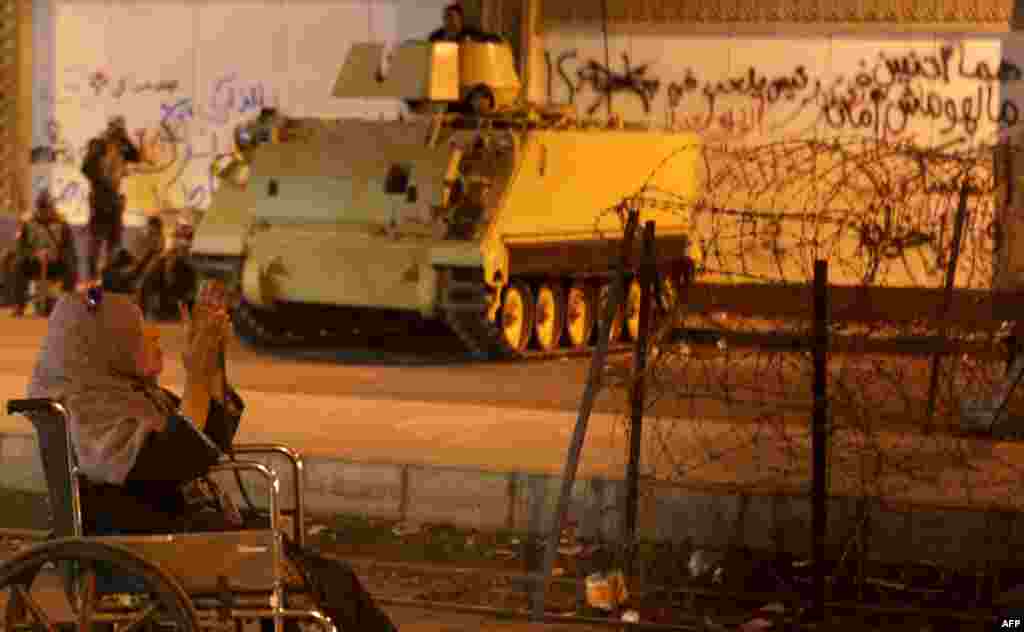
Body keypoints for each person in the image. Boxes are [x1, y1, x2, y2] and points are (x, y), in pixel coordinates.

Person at [27, 281, 399, 632]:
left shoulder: (130, 396)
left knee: (329, 579)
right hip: (149, 542)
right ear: (107, 345)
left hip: (177, 531)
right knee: (333, 582)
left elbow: (206, 442)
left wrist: (211, 367)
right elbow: (172, 460)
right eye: (140, 332)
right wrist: (197, 375)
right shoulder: (91, 409)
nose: (155, 336)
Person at [10, 190, 77, 317]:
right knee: (17, 265)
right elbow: (21, 248)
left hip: (55, 263)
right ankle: (19, 305)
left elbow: (69, 249)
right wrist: (33, 254)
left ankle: (66, 305)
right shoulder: (28, 224)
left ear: (51, 208)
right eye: (41, 209)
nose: (44, 212)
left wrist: (58, 256)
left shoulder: (62, 225)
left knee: (71, 266)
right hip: (34, 262)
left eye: (46, 208)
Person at [82, 135, 127, 283]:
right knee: (96, 249)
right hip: (103, 209)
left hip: (110, 209)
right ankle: (96, 281)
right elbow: (88, 170)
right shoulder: (96, 163)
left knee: (108, 249)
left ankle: (106, 280)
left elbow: (113, 180)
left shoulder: (113, 159)